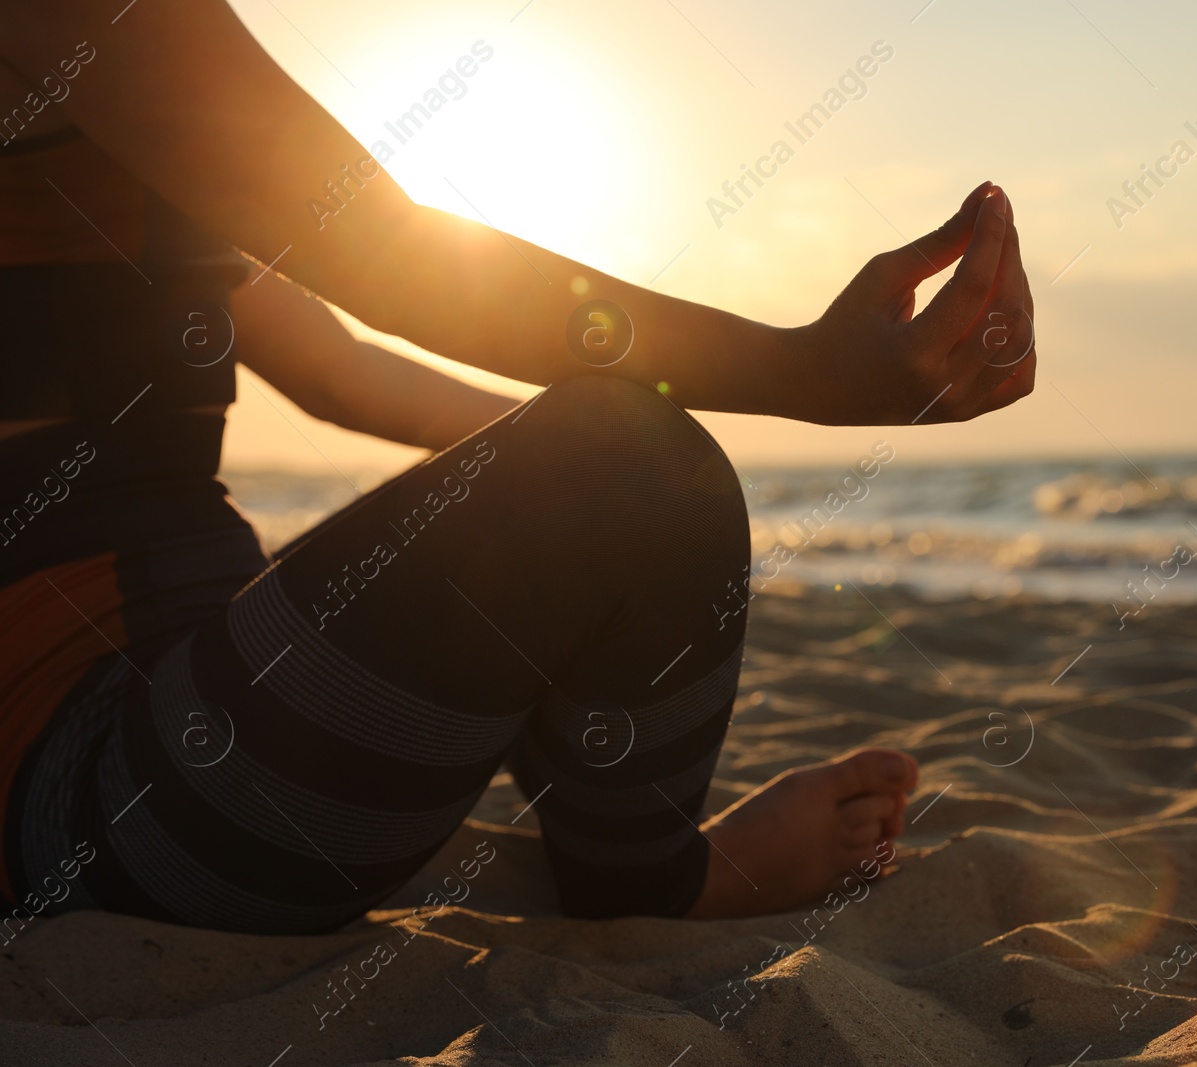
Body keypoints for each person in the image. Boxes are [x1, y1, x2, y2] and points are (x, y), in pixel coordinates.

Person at [0, 1, 1035, 933]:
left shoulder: (109, 159)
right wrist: (789, 382)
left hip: (198, 713)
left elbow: (343, 374)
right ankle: (657, 880)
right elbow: (376, 252)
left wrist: (600, 493)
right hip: (95, 804)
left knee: (633, 459)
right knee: (634, 460)